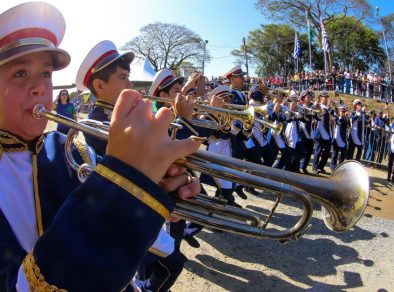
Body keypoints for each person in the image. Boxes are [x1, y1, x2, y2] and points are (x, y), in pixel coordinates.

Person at [0, 3, 201, 291]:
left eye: (45, 74)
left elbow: (120, 230)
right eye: (20, 73)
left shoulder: (67, 149)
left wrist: (156, 195)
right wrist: (126, 186)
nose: (40, 87)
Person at [76, 41, 202, 292]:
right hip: (128, 217)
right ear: (100, 86)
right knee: (167, 264)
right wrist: (183, 122)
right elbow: (152, 162)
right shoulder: (96, 124)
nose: (130, 84)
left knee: (168, 263)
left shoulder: (125, 119)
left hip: (147, 211)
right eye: (123, 77)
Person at [312, 90, 334, 174]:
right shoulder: (317, 106)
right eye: (325, 97)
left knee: (327, 151)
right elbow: (319, 116)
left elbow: (333, 114)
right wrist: (327, 107)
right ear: (321, 97)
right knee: (318, 150)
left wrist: (332, 106)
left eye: (327, 97)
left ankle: (320, 166)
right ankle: (314, 167)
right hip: (319, 131)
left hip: (327, 132)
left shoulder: (328, 107)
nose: (326, 98)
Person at [331, 105, 348, 171]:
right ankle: (333, 168)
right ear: (339, 111)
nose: (343, 112)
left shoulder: (345, 119)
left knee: (343, 154)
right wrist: (341, 117)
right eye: (342, 111)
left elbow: (348, 125)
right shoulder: (336, 118)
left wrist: (345, 118)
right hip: (336, 138)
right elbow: (338, 123)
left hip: (342, 139)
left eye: (344, 111)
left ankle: (340, 167)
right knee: (335, 154)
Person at [387, 118, 394, 182]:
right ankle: (388, 177)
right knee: (390, 163)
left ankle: (393, 178)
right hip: (391, 148)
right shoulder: (392, 125)